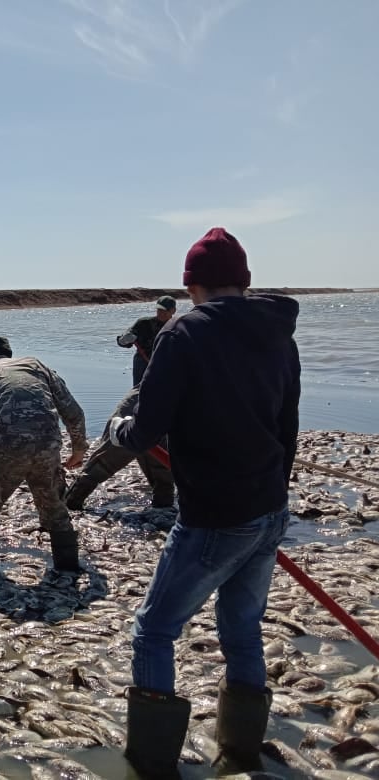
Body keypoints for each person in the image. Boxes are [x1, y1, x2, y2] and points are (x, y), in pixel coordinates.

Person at [109, 228, 300, 777]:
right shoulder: (279, 335)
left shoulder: (184, 333)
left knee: (153, 629)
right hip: (268, 509)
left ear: (191, 283)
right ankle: (238, 755)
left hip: (216, 515)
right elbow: (287, 427)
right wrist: (271, 499)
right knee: (241, 627)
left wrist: (119, 428)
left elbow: (146, 430)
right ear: (245, 281)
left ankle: (150, 765)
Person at [0, 336, 88, 573]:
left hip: (4, 449)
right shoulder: (37, 366)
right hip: (47, 446)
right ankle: (69, 568)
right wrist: (79, 449)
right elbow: (73, 412)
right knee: (54, 507)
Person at [63, 385, 174, 510]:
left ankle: (164, 506)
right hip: (149, 402)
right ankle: (67, 508)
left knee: (164, 483)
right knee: (105, 463)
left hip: (159, 399)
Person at [117, 295, 177, 386]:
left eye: (165, 310)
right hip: (143, 363)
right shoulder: (143, 323)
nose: (161, 313)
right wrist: (124, 340)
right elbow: (124, 342)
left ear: (173, 311)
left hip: (166, 364)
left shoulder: (177, 326)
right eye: (159, 310)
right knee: (139, 391)